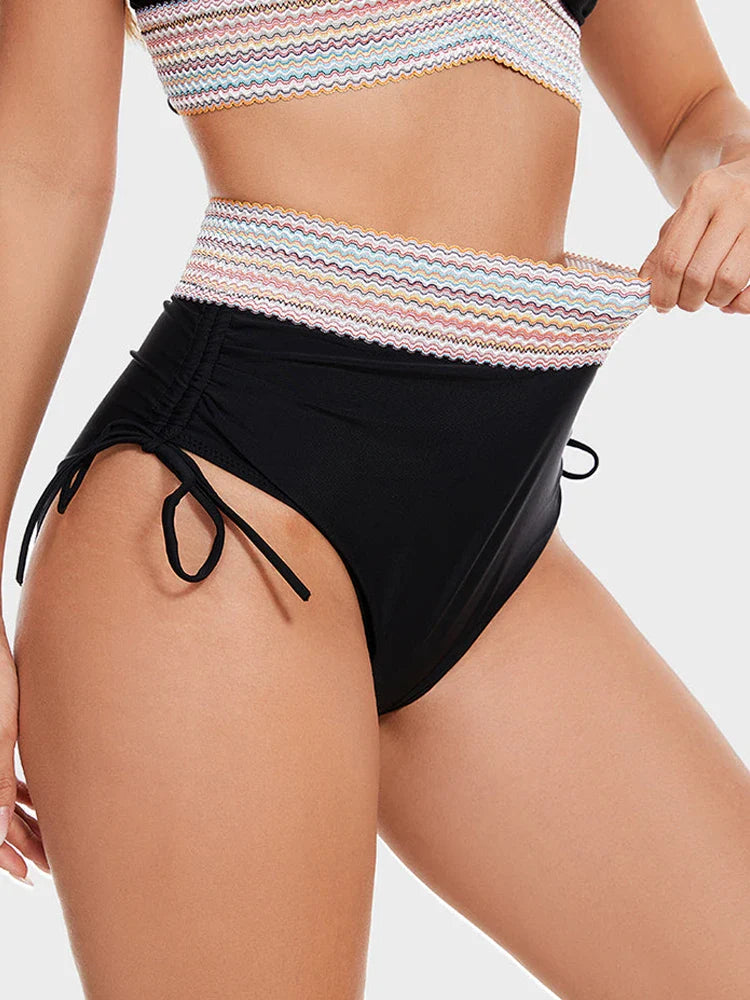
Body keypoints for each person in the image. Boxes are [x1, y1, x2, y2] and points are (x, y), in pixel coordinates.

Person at [1, 0, 749, 995]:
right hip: (221, 520)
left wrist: (739, 167)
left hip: (492, 538)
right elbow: (41, 172)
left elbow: (693, 107)